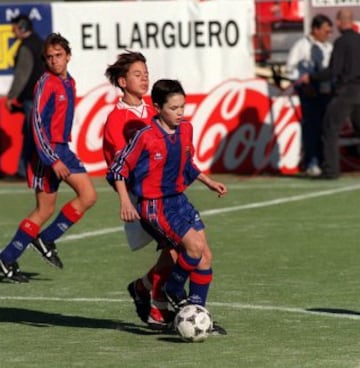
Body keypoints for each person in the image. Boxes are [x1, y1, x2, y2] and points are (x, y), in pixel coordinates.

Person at [108, 78, 228, 334]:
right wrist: (125, 201)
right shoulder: (145, 137)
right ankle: (172, 289)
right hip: (155, 206)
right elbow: (118, 170)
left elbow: (187, 164)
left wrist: (208, 181)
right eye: (174, 108)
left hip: (179, 200)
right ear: (158, 107)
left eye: (183, 106)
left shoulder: (186, 130)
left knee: (205, 256)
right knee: (193, 248)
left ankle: (198, 314)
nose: (180, 113)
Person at [0, 33, 97, 283]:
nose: (54, 61)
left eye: (59, 56)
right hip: (48, 155)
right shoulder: (46, 82)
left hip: (63, 149)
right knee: (45, 209)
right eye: (50, 57)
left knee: (87, 196)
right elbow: (37, 123)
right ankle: (7, 258)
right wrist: (51, 159)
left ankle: (44, 239)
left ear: (68, 56)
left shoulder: (70, 82)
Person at [103, 51, 178, 330]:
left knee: (177, 249)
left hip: (163, 191)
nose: (145, 78)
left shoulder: (152, 110)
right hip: (141, 196)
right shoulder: (116, 119)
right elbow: (117, 167)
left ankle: (144, 289)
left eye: (146, 73)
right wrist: (124, 199)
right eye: (137, 74)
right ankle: (159, 299)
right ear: (122, 82)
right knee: (178, 247)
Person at [302, 9, 360, 179]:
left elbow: (333, 71)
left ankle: (331, 170)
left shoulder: (341, 43)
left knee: (330, 129)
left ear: (340, 23)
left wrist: (311, 77)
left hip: (346, 92)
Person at [286, 13, 333, 177]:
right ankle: (311, 162)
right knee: (310, 127)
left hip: (325, 92)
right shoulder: (301, 46)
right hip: (308, 93)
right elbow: (290, 69)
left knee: (325, 128)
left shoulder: (328, 48)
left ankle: (323, 161)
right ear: (315, 29)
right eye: (326, 31)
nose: (328, 35)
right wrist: (303, 82)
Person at [5, 14, 45, 180]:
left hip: (32, 97)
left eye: (15, 28)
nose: (13, 32)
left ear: (22, 27)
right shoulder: (41, 43)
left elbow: (22, 74)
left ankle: (24, 171)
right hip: (43, 95)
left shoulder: (26, 47)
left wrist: (11, 96)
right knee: (38, 134)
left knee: (31, 134)